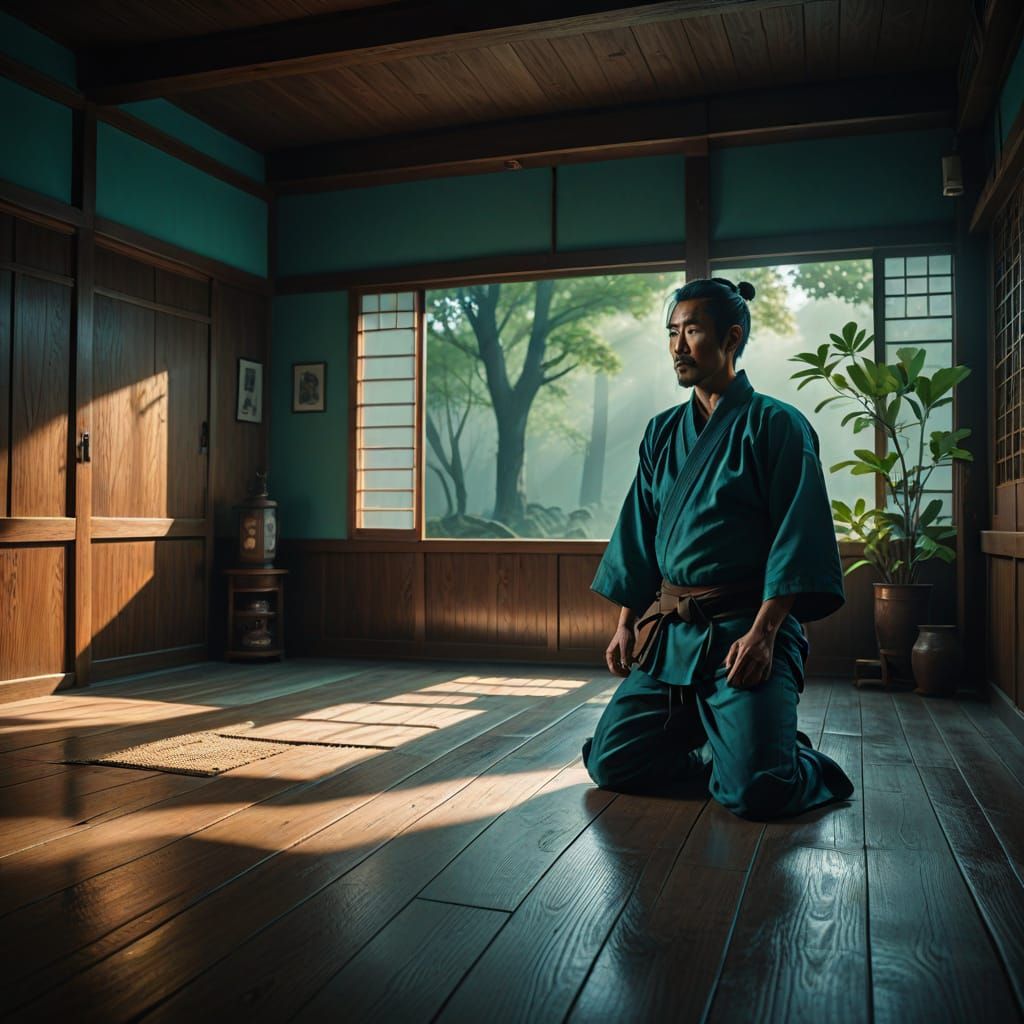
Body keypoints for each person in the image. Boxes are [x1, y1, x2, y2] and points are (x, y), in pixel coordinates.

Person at [581, 277, 854, 820]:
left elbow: (799, 539)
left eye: (693, 331)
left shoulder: (777, 425)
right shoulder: (662, 432)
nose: (679, 346)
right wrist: (624, 621)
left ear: (730, 338)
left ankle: (790, 758)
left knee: (758, 791)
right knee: (610, 762)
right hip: (673, 635)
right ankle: (724, 744)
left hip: (745, 633)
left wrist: (766, 633)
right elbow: (638, 532)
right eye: (672, 332)